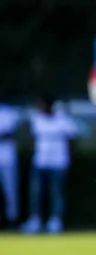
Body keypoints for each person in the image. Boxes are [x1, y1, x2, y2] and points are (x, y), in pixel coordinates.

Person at [21, 95, 78, 234]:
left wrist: (70, 159)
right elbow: (28, 135)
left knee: (56, 193)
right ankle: (35, 220)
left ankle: (55, 221)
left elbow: (72, 141)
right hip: (40, 161)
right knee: (36, 193)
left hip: (58, 163)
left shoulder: (63, 120)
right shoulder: (36, 119)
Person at [0, 103, 21, 228]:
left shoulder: (9, 112)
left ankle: (12, 219)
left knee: (10, 191)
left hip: (8, 158)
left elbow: (14, 132)